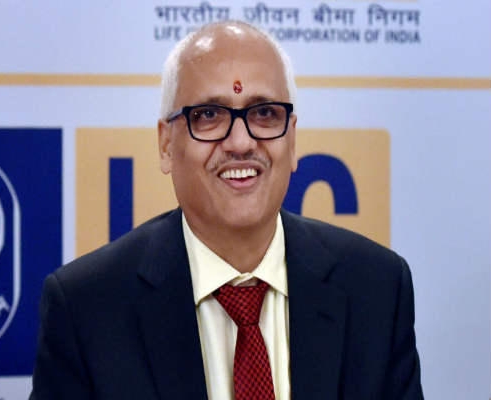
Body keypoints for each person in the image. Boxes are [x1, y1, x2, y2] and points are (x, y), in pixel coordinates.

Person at [29, 20, 423, 400]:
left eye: (264, 113)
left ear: (292, 140)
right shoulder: (87, 308)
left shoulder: (376, 289)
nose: (240, 142)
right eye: (209, 115)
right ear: (166, 144)